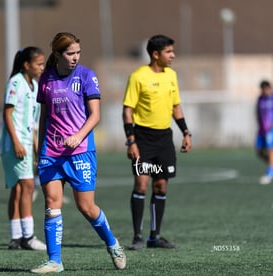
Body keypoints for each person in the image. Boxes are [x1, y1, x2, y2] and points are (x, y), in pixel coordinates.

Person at [31, 32, 126, 274]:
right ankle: (55, 261)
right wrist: (40, 150)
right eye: (70, 53)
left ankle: (112, 243)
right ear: (57, 54)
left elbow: (95, 116)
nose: (75, 58)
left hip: (80, 152)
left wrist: (78, 136)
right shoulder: (46, 79)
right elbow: (44, 117)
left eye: (77, 53)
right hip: (51, 153)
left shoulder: (86, 76)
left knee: (86, 207)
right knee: (52, 203)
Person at [122, 34, 192, 250]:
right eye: (169, 52)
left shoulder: (171, 75)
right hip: (142, 138)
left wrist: (186, 132)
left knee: (160, 186)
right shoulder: (138, 77)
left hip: (164, 139)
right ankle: (137, 237)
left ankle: (155, 236)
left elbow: (176, 107)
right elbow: (127, 111)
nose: (173, 55)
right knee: (141, 184)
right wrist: (131, 140)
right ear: (155, 54)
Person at [0, 47, 47, 250]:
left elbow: (33, 123)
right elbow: (7, 114)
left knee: (19, 189)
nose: (42, 67)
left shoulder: (34, 86)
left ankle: (16, 238)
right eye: (39, 64)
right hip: (15, 145)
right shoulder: (16, 82)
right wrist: (17, 143)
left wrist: (36, 146)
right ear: (27, 65)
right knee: (28, 186)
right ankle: (28, 236)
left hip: (27, 143)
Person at [255, 80, 273, 185]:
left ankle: (270, 174)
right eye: (262, 89)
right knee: (259, 151)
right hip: (262, 130)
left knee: (271, 150)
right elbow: (258, 113)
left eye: (266, 89)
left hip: (271, 129)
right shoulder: (260, 99)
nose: (264, 91)